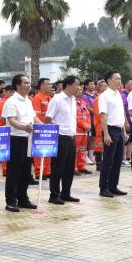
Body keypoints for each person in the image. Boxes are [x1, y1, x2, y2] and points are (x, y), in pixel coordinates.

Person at [1, 74, 37, 212]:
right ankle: (11, 201)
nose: (28, 85)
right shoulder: (11, 101)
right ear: (17, 85)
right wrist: (24, 127)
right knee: (14, 172)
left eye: (29, 83)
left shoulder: (28, 100)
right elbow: (11, 120)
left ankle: (23, 199)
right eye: (26, 83)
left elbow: (34, 119)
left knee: (26, 172)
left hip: (28, 139)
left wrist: (48, 127)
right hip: (15, 139)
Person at [46, 76, 81, 204]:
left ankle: (66, 193)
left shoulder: (73, 99)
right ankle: (54, 195)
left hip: (71, 137)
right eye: (76, 84)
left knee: (69, 168)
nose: (79, 87)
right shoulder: (57, 99)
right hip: (60, 137)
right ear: (68, 85)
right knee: (57, 168)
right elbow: (48, 119)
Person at [98, 71, 128, 197]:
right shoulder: (105, 96)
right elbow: (103, 115)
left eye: (120, 78)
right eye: (117, 79)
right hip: (110, 130)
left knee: (117, 160)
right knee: (108, 161)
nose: (119, 81)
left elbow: (121, 114)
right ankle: (103, 188)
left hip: (119, 130)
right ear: (109, 81)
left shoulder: (118, 94)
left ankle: (113, 186)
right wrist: (106, 134)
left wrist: (124, 131)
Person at [31, 78, 53, 180]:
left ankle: (47, 171)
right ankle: (39, 172)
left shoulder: (50, 98)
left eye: (50, 84)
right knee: (39, 151)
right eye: (47, 84)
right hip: (41, 129)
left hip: (50, 129)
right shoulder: (37, 98)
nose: (50, 86)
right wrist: (41, 127)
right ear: (41, 86)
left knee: (48, 150)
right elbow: (36, 116)